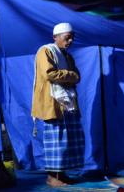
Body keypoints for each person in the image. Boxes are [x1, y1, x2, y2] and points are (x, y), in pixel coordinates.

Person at [31, 22, 84, 187]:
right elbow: (50, 74)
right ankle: (51, 177)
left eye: (72, 38)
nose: (70, 42)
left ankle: (61, 175)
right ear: (55, 37)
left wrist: (71, 76)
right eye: (67, 38)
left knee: (66, 140)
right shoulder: (45, 51)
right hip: (53, 102)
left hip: (67, 103)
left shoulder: (68, 56)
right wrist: (70, 74)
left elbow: (78, 76)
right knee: (55, 140)